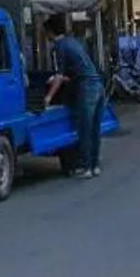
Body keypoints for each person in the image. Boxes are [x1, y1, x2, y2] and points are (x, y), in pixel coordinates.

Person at [42, 14, 106, 178]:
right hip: (98, 85)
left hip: (86, 88)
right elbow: (77, 70)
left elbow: (58, 76)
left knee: (84, 129)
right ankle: (95, 165)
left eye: (46, 32)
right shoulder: (73, 42)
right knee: (94, 129)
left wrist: (48, 98)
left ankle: (86, 167)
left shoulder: (58, 47)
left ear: (50, 32)